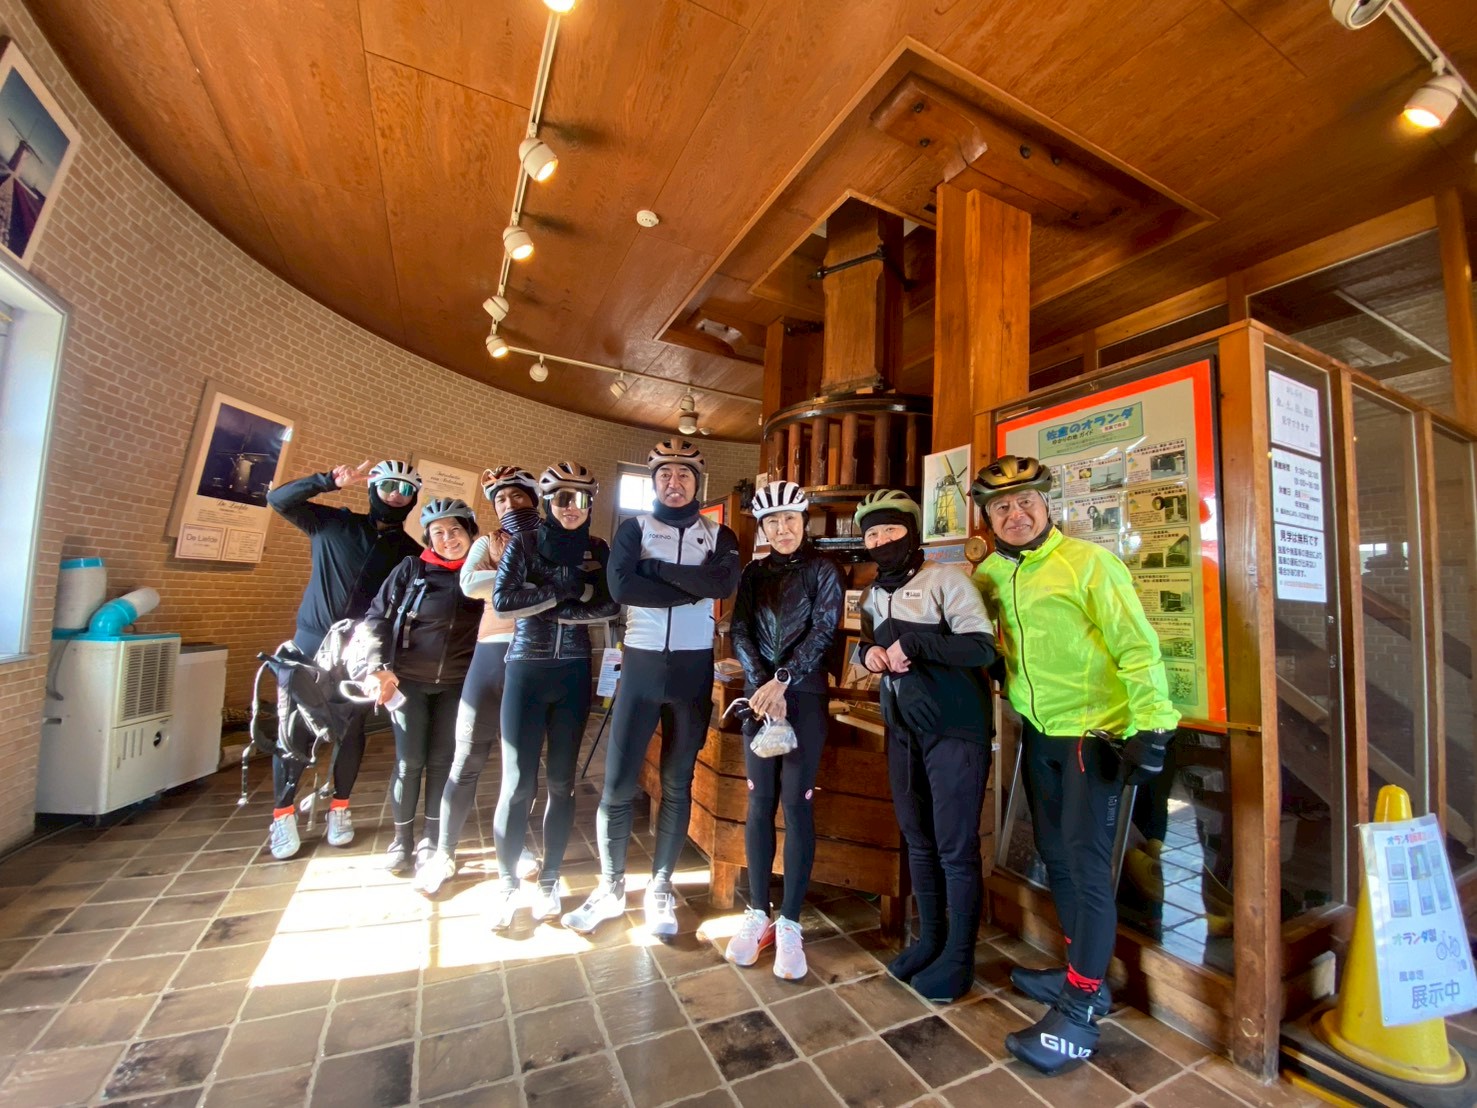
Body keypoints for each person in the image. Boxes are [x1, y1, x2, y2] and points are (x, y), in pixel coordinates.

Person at [970, 455, 1178, 1075]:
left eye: (1026, 501)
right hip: (1039, 734)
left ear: (1047, 505)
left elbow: (1138, 646)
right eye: (1002, 507)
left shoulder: (1089, 563)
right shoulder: (992, 574)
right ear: (988, 518)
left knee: (1087, 869)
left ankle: (1081, 1011)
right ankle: (1080, 972)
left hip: (1097, 736)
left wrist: (1154, 727)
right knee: (1056, 857)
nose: (1015, 513)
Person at [562, 439, 740, 937]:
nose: (674, 483)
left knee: (678, 784)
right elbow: (622, 589)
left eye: (684, 475)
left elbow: (722, 586)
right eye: (665, 475)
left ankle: (660, 887)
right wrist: (691, 584)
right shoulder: (633, 529)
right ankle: (611, 887)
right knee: (618, 785)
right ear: (656, 480)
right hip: (640, 668)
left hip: (692, 671)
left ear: (696, 483)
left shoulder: (719, 533)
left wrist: (655, 570)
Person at [855, 489, 997, 1004]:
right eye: (872, 534)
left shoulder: (946, 580)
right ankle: (930, 939)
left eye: (890, 530)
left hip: (955, 728)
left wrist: (916, 643)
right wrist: (868, 655)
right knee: (918, 839)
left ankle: (960, 956)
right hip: (903, 728)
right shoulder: (873, 596)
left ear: (912, 533)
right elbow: (868, 648)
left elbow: (980, 648)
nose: (881, 540)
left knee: (956, 847)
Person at [263, 459, 424, 860]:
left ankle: (340, 807)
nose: (395, 496)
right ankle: (282, 814)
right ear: (373, 487)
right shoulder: (332, 524)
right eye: (388, 486)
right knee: (294, 730)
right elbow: (278, 499)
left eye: (405, 491)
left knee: (351, 732)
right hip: (311, 644)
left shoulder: (409, 553)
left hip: (359, 652)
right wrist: (327, 482)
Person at [485, 462, 618, 928]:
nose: (570, 508)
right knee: (518, 782)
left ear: (590, 504)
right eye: (561, 498)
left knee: (561, 782)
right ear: (547, 501)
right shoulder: (522, 543)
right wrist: (560, 590)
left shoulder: (598, 548)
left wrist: (558, 610)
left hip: (574, 673)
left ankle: (549, 880)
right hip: (526, 668)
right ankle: (505, 886)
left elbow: (610, 603)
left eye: (580, 500)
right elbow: (502, 601)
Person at [724, 481, 842, 980]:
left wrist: (784, 679)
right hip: (759, 699)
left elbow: (824, 628)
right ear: (763, 528)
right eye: (772, 522)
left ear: (804, 519)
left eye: (790, 519)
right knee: (758, 801)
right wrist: (760, 684)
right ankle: (758, 913)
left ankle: (791, 921)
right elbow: (741, 627)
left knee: (796, 804)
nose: (783, 528)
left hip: (805, 696)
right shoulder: (753, 572)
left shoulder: (824, 570)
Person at [414, 467, 543, 896]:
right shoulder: (489, 541)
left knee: (518, 765)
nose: (508, 505)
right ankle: (444, 853)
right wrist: (530, 581)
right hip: (491, 652)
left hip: (534, 654)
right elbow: (470, 583)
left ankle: (519, 846)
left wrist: (507, 584)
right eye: (500, 500)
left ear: (532, 498)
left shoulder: (549, 536)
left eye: (516, 497)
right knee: (466, 759)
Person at [359, 497, 484, 875]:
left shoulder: (483, 574)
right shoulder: (412, 569)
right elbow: (377, 617)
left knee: (443, 761)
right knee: (409, 761)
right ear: (429, 539)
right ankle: (402, 839)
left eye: (456, 530)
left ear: (470, 532)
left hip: (458, 684)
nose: (448, 539)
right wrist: (378, 666)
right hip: (408, 680)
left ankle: (432, 837)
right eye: (439, 533)